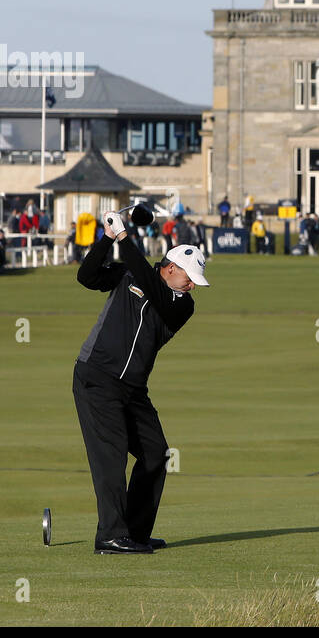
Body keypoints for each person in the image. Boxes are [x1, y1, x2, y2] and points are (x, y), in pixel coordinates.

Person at [73, 208, 209, 554]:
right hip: (97, 378)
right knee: (112, 455)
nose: (192, 284)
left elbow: (151, 286)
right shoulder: (129, 275)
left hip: (132, 389)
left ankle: (134, 531)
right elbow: (87, 277)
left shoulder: (182, 305)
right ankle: (109, 536)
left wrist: (124, 236)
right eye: (188, 276)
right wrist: (107, 238)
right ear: (172, 268)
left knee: (155, 453)